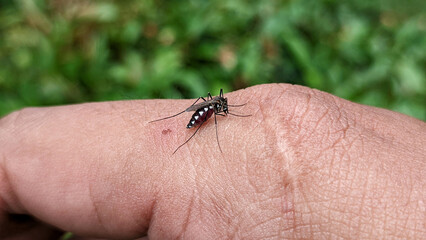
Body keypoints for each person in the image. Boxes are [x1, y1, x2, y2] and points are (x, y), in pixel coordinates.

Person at [0, 84, 424, 239]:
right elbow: (211, 106)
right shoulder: (215, 107)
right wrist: (205, 116)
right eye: (221, 104)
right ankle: (182, 124)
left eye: (220, 106)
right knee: (199, 112)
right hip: (192, 121)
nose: (221, 106)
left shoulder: (221, 106)